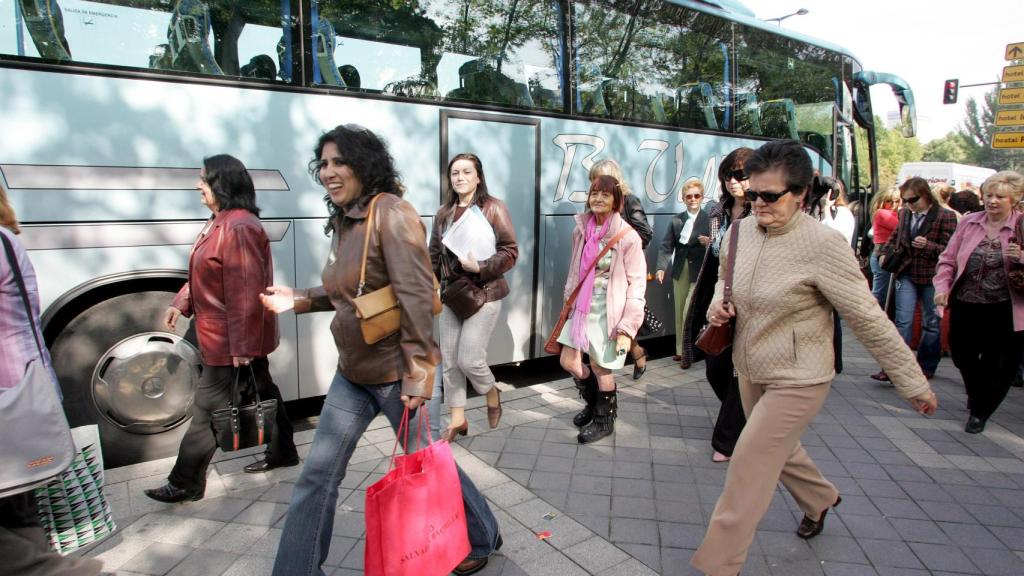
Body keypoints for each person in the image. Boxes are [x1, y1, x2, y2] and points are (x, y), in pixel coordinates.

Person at [690, 140, 938, 576]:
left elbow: (867, 318)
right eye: (753, 194)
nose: (759, 205)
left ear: (801, 195)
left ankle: (718, 566)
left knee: (748, 464)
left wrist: (912, 382)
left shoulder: (823, 245)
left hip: (800, 377)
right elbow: (720, 292)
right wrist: (717, 309)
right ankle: (821, 498)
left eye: (771, 196)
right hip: (750, 369)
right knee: (780, 452)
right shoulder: (739, 233)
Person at [262, 125, 501, 576]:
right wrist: (295, 298)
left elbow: (414, 295)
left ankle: (482, 534)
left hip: (396, 373)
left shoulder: (389, 213)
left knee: (429, 463)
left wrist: (417, 375)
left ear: (364, 164)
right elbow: (349, 291)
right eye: (324, 163)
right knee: (317, 477)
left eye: (339, 162)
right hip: (353, 372)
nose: (329, 171)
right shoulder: (345, 219)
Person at [145, 155, 297, 503]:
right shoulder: (222, 221)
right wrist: (180, 302)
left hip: (231, 340)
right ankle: (284, 451)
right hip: (228, 337)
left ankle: (185, 482)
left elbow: (245, 291)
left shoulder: (239, 226)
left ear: (223, 183)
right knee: (264, 391)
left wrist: (242, 346)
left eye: (205, 180)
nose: (199, 186)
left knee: (206, 408)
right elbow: (206, 274)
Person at [0, 185, 103, 576]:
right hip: (22, 387)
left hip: (9, 392)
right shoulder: (8, 239)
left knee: (15, 509)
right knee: (18, 508)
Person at [429, 153, 518, 441]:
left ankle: (492, 392)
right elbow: (432, 255)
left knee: (469, 360)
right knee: (451, 363)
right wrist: (432, 283)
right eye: (455, 173)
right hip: (452, 295)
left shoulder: (493, 208)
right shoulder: (443, 214)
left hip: (485, 293)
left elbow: (510, 251)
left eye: (466, 172)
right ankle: (458, 420)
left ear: (478, 177)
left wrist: (480, 267)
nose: (460, 177)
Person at [558, 175, 646, 444]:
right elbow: (575, 270)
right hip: (581, 306)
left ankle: (604, 420)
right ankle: (595, 403)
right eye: (594, 193)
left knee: (600, 366)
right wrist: (567, 302)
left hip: (609, 308)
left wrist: (627, 327)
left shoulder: (628, 237)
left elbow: (637, 284)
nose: (597, 199)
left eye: (605, 195)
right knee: (568, 361)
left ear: (616, 200)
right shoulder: (581, 230)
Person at [935, 171, 1024, 433]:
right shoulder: (970, 222)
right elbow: (948, 259)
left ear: (1014, 200)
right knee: (961, 354)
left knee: (999, 364)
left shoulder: (1021, 225)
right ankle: (977, 394)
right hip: (967, 302)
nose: (992, 201)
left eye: (1000, 197)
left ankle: (980, 412)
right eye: (988, 195)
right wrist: (942, 287)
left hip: (1006, 307)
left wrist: (1021, 256)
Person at [682, 146, 752, 463]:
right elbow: (716, 255)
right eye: (728, 176)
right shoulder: (717, 212)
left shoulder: (762, 210)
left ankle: (726, 441)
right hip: (719, 295)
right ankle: (750, 419)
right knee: (715, 366)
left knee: (741, 371)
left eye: (740, 175)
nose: (733, 182)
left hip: (751, 300)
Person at [872, 177, 958, 381]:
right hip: (907, 272)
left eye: (913, 199)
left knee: (931, 321)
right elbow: (895, 238)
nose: (909, 204)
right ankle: (894, 367)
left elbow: (951, 249)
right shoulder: (904, 214)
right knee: (902, 320)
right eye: (905, 200)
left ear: (926, 195)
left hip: (932, 275)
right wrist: (883, 253)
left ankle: (926, 366)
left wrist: (927, 246)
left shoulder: (946, 216)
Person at [589, 159, 653, 379]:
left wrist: (619, 245)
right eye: (593, 180)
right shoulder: (594, 202)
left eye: (600, 178)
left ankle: (637, 355)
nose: (596, 185)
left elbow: (645, 234)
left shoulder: (630, 201)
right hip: (599, 280)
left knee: (621, 322)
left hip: (622, 274)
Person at [656, 180, 709, 361]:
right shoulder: (677, 220)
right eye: (689, 196)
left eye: (697, 195)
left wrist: (709, 243)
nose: (693, 199)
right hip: (680, 269)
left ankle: (690, 349)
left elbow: (721, 244)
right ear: (683, 199)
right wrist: (661, 267)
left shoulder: (709, 219)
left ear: (702, 197)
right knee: (679, 310)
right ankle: (680, 350)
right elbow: (666, 246)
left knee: (689, 310)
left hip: (700, 268)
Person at [868, 186, 902, 307]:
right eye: (889, 201)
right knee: (880, 294)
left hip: (887, 255)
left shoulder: (893, 213)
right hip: (882, 255)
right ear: (882, 201)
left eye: (897, 201)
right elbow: (900, 227)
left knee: (884, 294)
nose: (893, 204)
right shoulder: (881, 213)